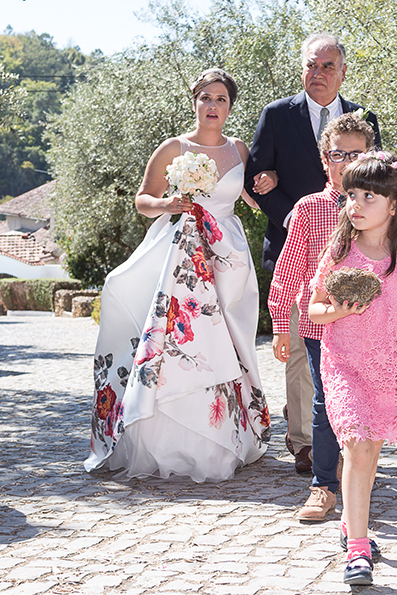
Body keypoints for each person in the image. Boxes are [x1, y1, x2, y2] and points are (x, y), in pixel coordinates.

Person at [86, 68, 277, 483]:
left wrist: (271, 182)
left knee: (232, 341)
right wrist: (169, 204)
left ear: (230, 106)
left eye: (221, 99)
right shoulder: (173, 147)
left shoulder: (241, 150)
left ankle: (231, 431)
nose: (213, 106)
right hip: (183, 253)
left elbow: (256, 194)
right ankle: (170, 436)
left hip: (229, 255)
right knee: (184, 338)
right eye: (205, 97)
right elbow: (142, 200)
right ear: (194, 102)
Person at [245, 33, 382, 475]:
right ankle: (305, 442)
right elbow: (254, 178)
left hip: (358, 253)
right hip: (296, 247)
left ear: (343, 72)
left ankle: (347, 437)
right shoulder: (276, 114)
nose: (317, 73)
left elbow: (381, 179)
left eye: (327, 66)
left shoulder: (364, 118)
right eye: (311, 65)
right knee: (304, 353)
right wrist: (295, 218)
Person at [308, 152, 397, 586]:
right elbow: (313, 310)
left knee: (370, 460)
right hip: (343, 364)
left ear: (393, 204)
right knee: (358, 450)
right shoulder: (338, 252)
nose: (357, 204)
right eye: (351, 194)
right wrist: (338, 312)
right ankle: (358, 550)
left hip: (387, 371)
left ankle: (353, 521)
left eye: (369, 195)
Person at [266, 113, 375, 523]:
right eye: (337, 154)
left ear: (371, 157)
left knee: (365, 401)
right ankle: (323, 487)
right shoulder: (310, 209)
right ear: (323, 158)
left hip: (370, 326)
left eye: (356, 154)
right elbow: (289, 270)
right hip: (319, 325)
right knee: (326, 403)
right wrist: (280, 323)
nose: (346, 162)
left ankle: (360, 472)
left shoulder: (385, 205)